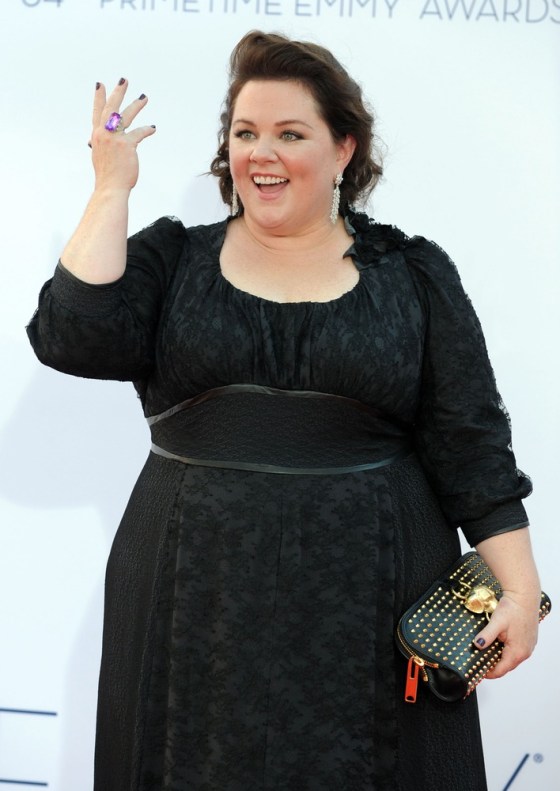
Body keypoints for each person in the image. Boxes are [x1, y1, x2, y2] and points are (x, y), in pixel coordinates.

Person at [27, 29, 542, 791]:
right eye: (244, 133)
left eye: (289, 133)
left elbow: (471, 441)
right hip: (191, 586)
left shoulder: (414, 274)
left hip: (375, 588)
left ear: (344, 149)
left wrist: (522, 590)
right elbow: (71, 335)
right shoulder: (173, 259)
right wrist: (112, 187)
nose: (259, 153)